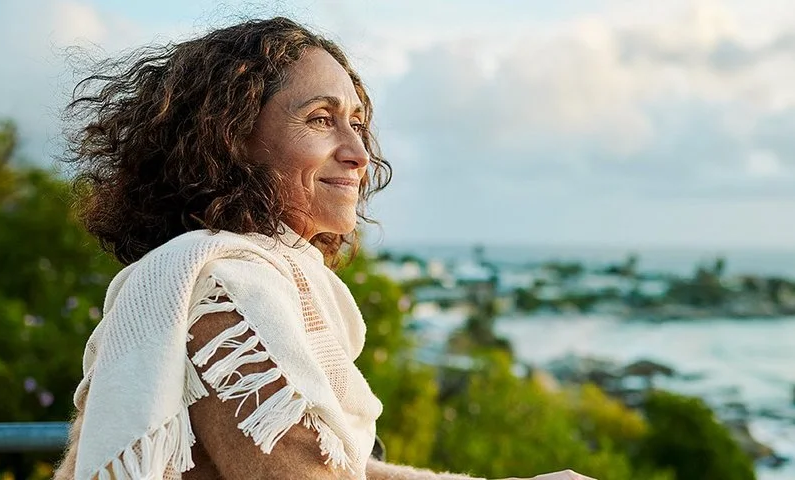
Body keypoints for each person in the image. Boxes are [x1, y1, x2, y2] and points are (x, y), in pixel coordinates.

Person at [52, 17, 594, 480]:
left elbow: (338, 467)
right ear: (231, 137)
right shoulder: (225, 291)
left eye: (357, 123)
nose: (358, 152)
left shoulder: (270, 280)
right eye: (320, 119)